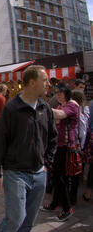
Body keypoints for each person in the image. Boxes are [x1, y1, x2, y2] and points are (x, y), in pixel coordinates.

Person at [0, 65, 57, 232]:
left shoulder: (45, 109)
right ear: (31, 82)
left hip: (38, 173)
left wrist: (47, 164)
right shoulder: (12, 108)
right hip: (15, 173)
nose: (48, 83)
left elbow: (53, 138)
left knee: (29, 220)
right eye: (44, 79)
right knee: (16, 216)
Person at [41, 83, 78, 222]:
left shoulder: (71, 105)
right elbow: (56, 118)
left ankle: (67, 209)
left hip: (67, 147)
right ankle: (55, 204)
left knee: (59, 177)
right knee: (56, 176)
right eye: (56, 92)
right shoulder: (60, 105)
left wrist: (43, 106)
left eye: (61, 92)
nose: (58, 95)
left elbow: (60, 116)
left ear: (67, 93)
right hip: (59, 146)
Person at [69, 90, 89, 205]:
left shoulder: (79, 111)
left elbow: (82, 130)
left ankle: (72, 197)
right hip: (77, 144)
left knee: (73, 172)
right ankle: (72, 196)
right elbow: (83, 130)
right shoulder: (80, 110)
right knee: (74, 171)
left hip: (75, 145)